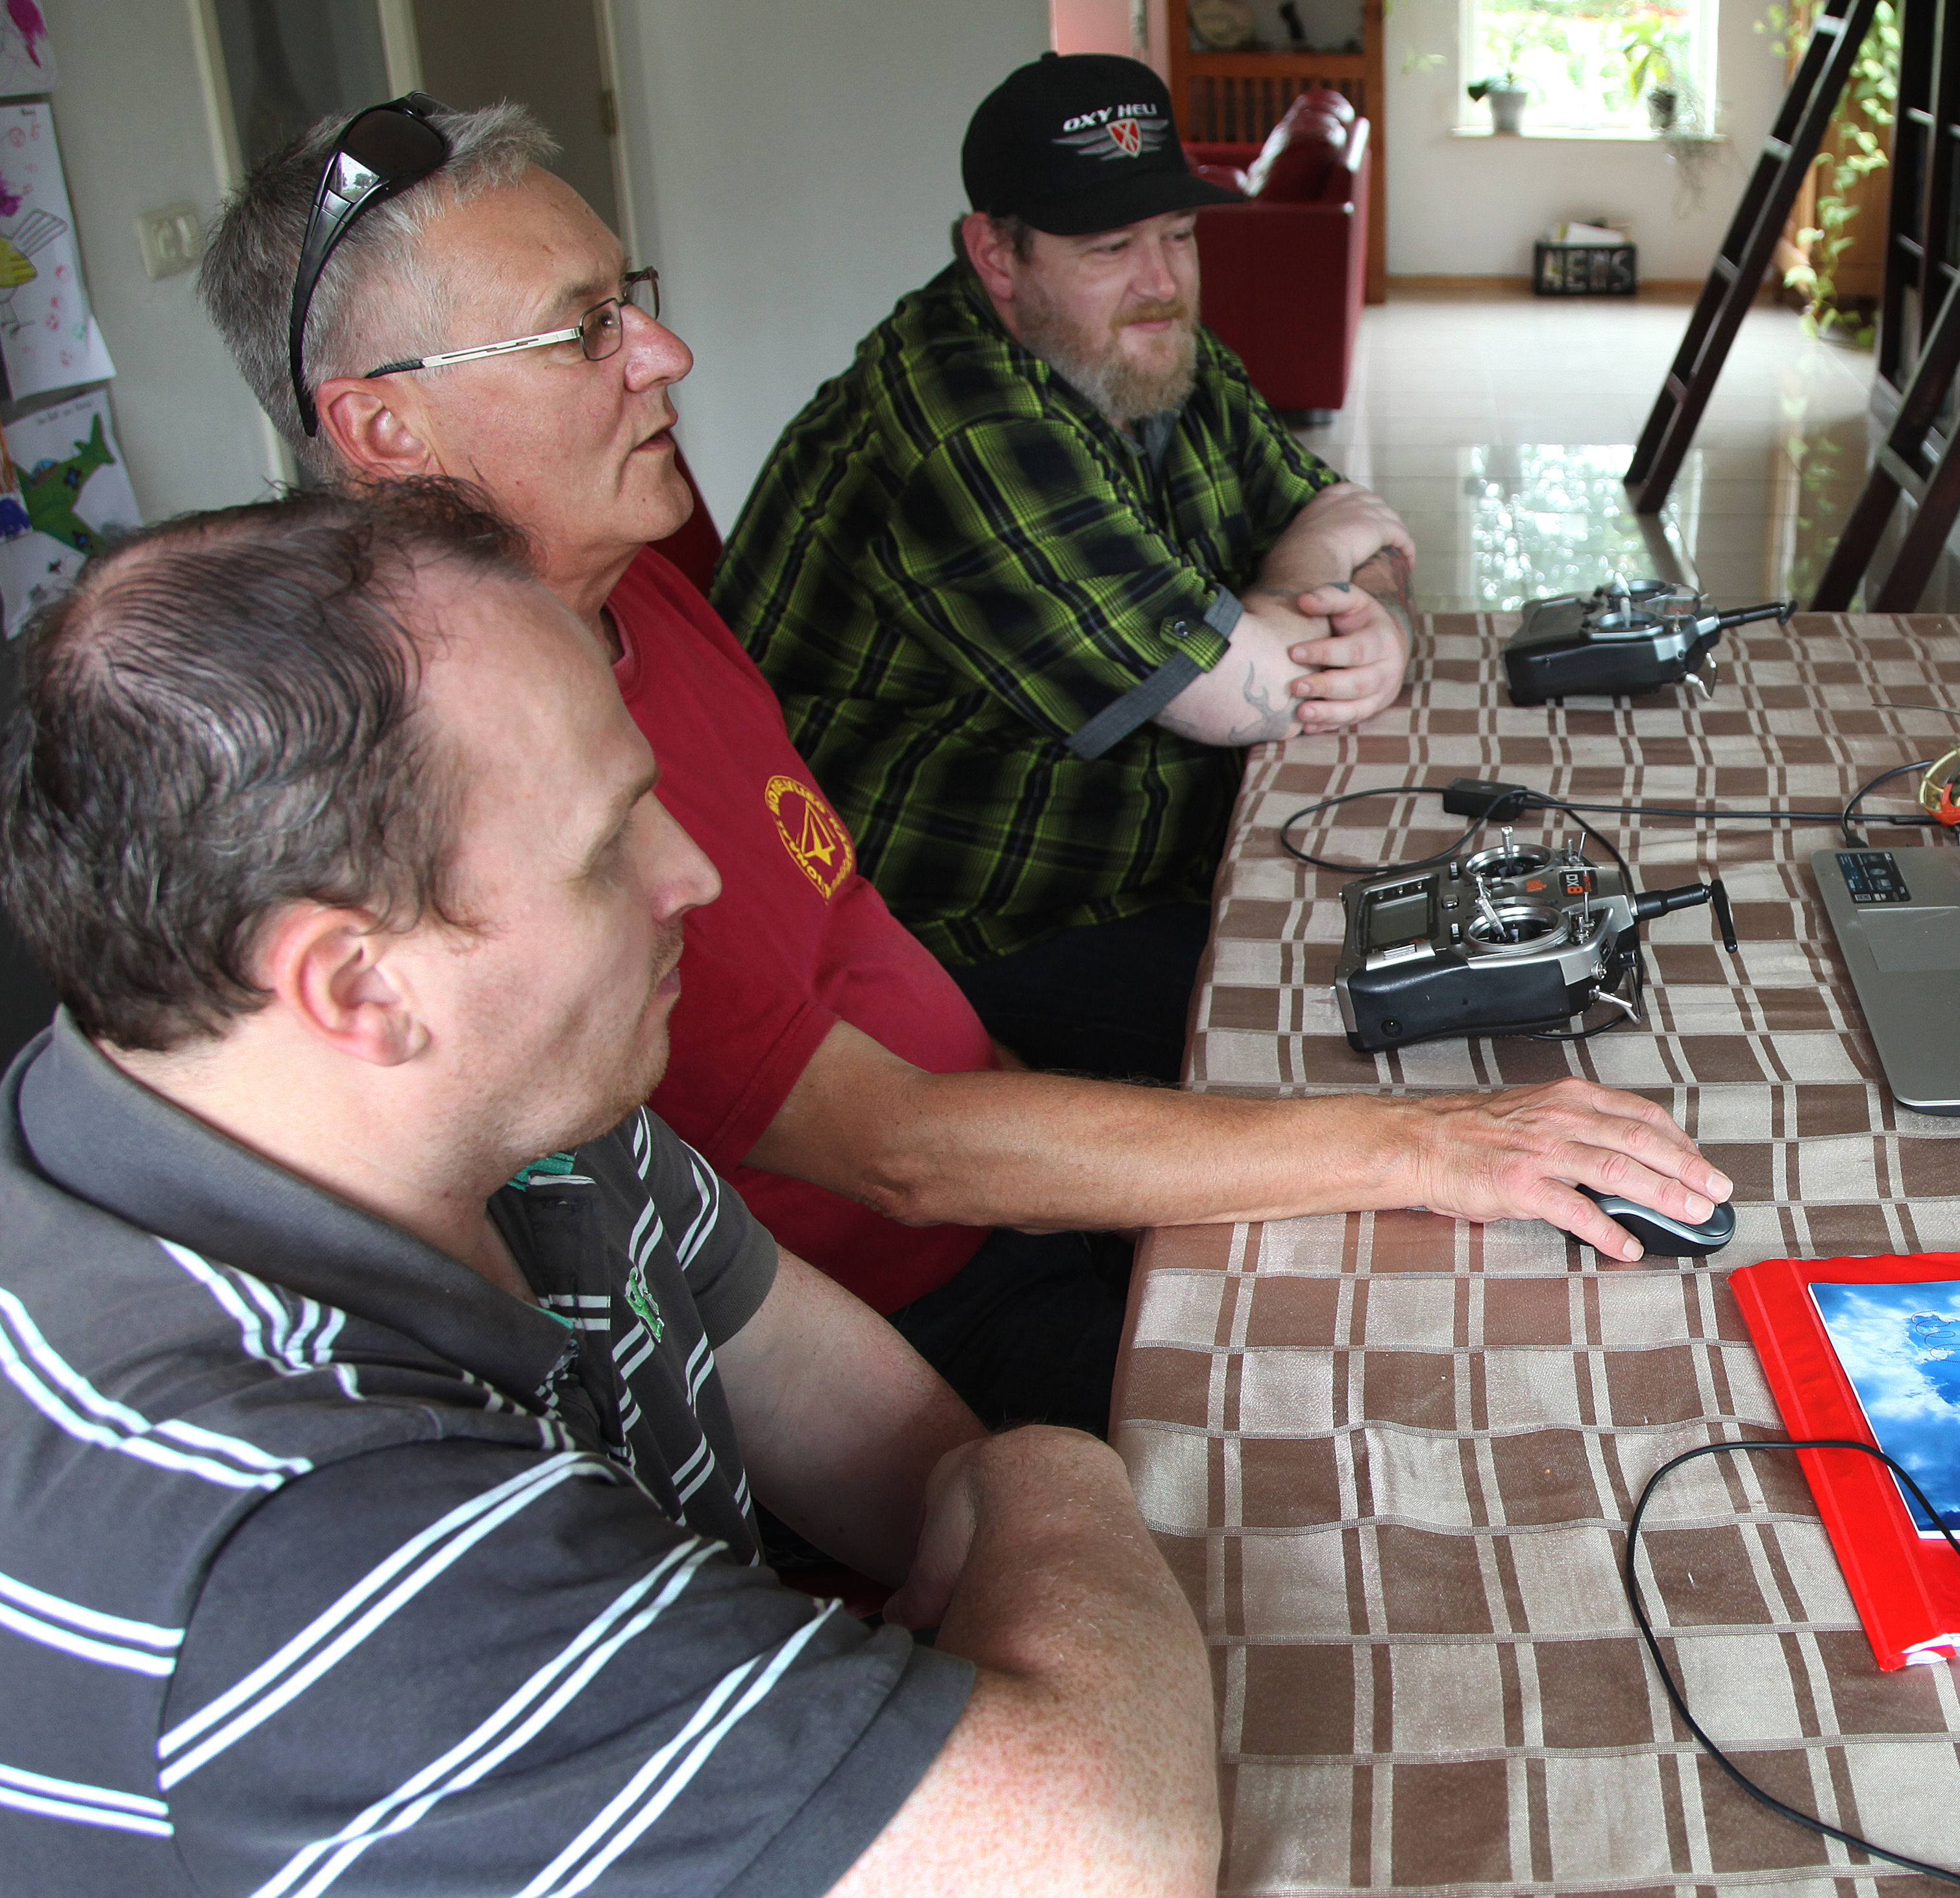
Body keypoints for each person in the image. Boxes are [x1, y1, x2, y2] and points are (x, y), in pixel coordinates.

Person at [194, 96, 1729, 1436]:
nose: (666, 353)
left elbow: (1327, 512)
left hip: (985, 1100)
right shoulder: (492, 795)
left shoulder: (633, 579)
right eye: (584, 326)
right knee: (1431, 1367)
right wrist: (1426, 1148)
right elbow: (896, 1157)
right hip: (913, 1287)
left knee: (1442, 1024)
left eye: (630, 299)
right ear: (383, 424)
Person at [0, 487, 1215, 1895]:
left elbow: (839, 1407)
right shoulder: (289, 1532)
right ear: (358, 986)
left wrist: (993, 1505)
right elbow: (1104, 1843)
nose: (693, 873)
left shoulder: (494, 1110)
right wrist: (1051, 1466)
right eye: (605, 846)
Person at [714, 52, 1408, 1084]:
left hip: (1156, 863)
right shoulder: (964, 424)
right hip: (950, 932)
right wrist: (1320, 569)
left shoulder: (1141, 347)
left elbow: (1369, 526)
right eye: (1110, 246)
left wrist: (1376, 613)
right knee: (1359, 1028)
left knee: (1446, 919)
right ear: (996, 254)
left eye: (1179, 233)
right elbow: (1250, 692)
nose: (1161, 281)